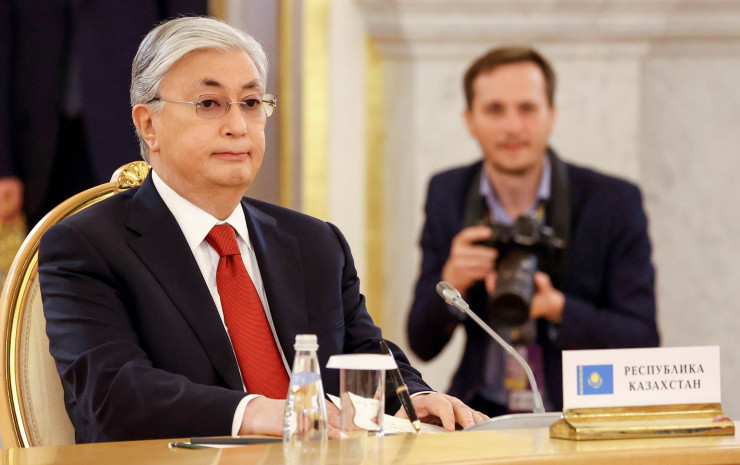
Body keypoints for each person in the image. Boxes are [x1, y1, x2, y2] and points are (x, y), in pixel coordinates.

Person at [37, 16, 486, 444]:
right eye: (209, 104)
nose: (238, 127)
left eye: (251, 104)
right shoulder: (87, 245)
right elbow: (112, 392)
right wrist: (259, 412)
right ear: (148, 125)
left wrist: (412, 397)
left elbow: (365, 351)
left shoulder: (314, 242)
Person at [407, 46, 659, 416]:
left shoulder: (611, 201)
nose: (512, 127)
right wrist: (452, 281)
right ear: (469, 120)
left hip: (581, 412)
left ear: (551, 116)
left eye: (527, 108)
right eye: (495, 110)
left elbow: (643, 339)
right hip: (481, 412)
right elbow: (421, 343)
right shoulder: (448, 193)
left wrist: (558, 309)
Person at [0, 1, 207, 227]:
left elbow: (189, 40)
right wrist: (4, 167)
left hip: (137, 139)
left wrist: (188, 153)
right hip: (40, 154)